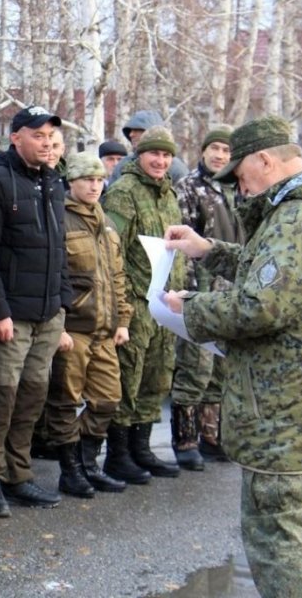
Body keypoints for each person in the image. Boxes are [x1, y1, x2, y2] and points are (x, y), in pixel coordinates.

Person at [163, 115, 302, 598]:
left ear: (265, 160)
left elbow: (261, 305)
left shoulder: (300, 217)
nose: (239, 184)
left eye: (240, 173)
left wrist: (191, 307)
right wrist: (208, 250)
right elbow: (274, 273)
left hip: (284, 405)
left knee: (275, 530)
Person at [0, 106, 72, 517]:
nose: (47, 143)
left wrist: (62, 300)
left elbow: (59, 246)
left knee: (30, 401)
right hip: (12, 314)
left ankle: (19, 475)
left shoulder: (53, 181)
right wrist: (0, 309)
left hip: (48, 311)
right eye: (38, 136)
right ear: (16, 138)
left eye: (51, 137)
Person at [43, 153, 131, 497]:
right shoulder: (60, 218)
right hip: (75, 328)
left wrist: (122, 319)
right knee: (65, 402)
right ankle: (71, 470)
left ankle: (89, 462)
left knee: (108, 399)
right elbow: (55, 276)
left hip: (105, 330)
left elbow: (117, 276)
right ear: (72, 182)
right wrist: (59, 325)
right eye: (87, 180)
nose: (95, 186)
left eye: (99, 180)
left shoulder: (106, 222)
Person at [102, 126, 184, 484]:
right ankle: (118, 455)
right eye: (155, 154)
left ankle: (143, 448)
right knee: (128, 376)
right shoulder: (123, 192)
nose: (161, 161)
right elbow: (110, 249)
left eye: (167, 155)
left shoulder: (169, 195)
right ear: (140, 155)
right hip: (135, 301)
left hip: (165, 302)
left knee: (157, 374)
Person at [169, 124, 243, 470]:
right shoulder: (188, 187)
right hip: (200, 289)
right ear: (203, 151)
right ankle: (186, 439)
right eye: (215, 148)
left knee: (221, 368)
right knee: (195, 368)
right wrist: (184, 290)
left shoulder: (238, 189)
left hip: (233, 293)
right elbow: (181, 245)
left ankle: (212, 435)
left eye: (227, 151)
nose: (220, 155)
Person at [108, 110, 189, 185]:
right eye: (130, 130)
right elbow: (107, 197)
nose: (131, 134)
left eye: (136, 130)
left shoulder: (176, 169)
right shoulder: (124, 164)